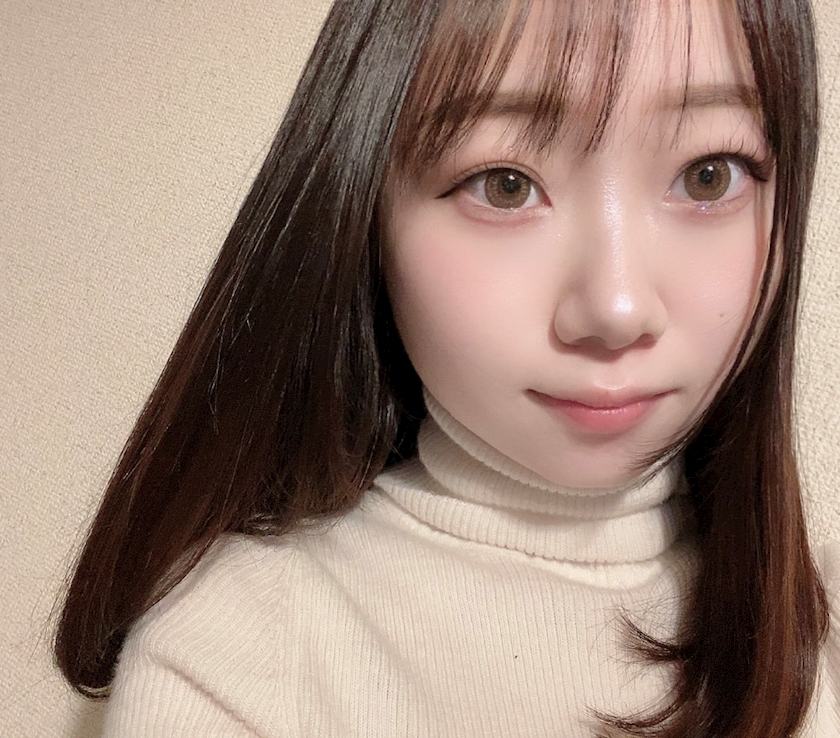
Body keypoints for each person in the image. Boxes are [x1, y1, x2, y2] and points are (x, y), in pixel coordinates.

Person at [54, 0, 839, 735]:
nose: (617, 306)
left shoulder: (823, 623)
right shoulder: (233, 658)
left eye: (709, 174)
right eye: (504, 185)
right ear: (365, 215)